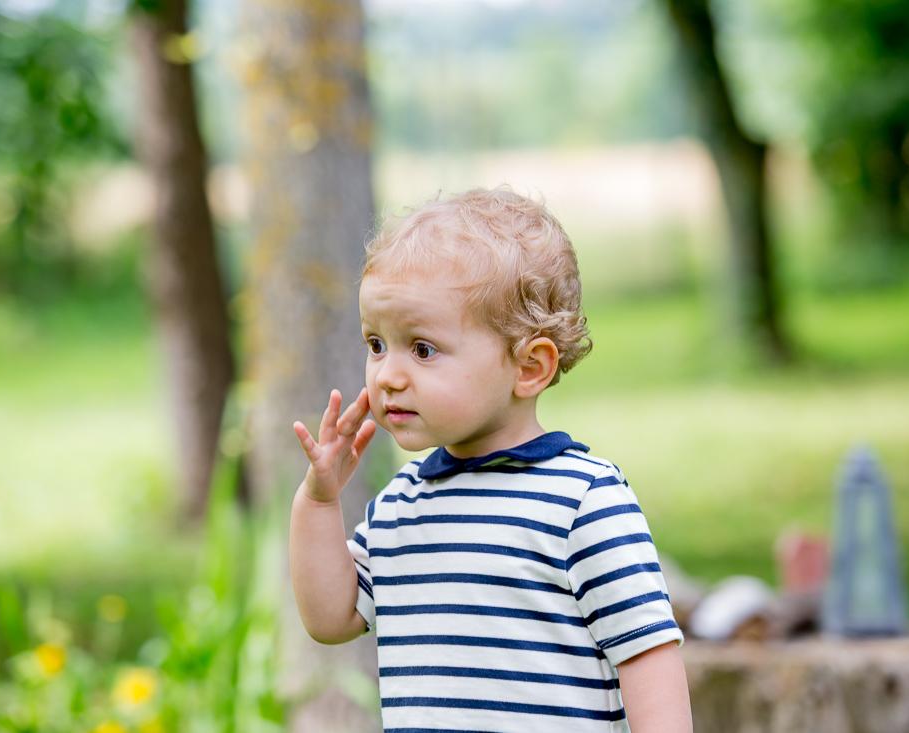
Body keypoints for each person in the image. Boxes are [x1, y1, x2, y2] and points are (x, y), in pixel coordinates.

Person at [289, 188, 692, 732]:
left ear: (528, 367)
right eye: (377, 344)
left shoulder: (582, 503)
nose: (387, 375)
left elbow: (648, 656)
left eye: (423, 348)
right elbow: (330, 618)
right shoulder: (401, 507)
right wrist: (319, 501)